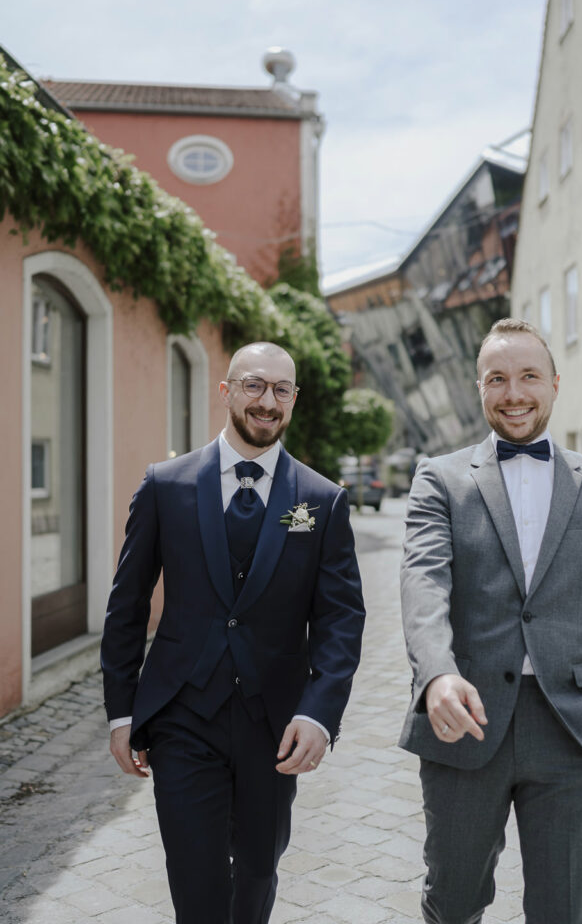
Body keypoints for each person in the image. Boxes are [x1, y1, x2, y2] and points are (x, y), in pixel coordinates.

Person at [399, 318, 582, 924]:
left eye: (528, 376)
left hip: (576, 730)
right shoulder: (439, 479)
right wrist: (436, 674)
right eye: (497, 379)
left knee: (565, 911)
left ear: (554, 384)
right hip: (463, 722)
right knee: (451, 904)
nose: (513, 392)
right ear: (480, 389)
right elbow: (423, 584)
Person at [101, 341, 365, 924]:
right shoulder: (165, 485)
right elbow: (126, 605)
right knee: (195, 879)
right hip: (180, 717)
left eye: (281, 390)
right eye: (254, 385)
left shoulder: (322, 501)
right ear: (226, 391)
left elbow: (342, 620)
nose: (266, 401)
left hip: (273, 724)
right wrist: (122, 713)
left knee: (257, 870)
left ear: (293, 400)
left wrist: (320, 714)